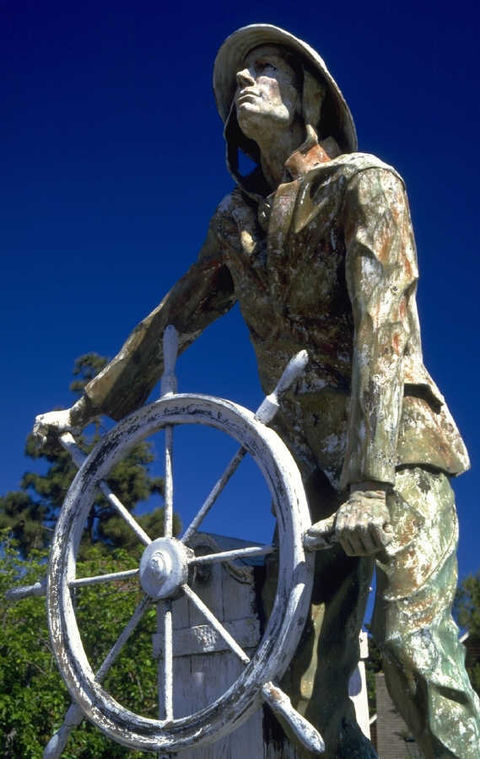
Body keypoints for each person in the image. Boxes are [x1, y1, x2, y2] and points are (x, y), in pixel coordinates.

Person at [33, 24, 480, 758]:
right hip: (306, 473)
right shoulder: (237, 222)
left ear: (310, 97)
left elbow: (386, 329)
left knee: (411, 651)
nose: (246, 80)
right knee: (295, 687)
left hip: (395, 451)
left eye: (266, 67)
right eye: (239, 76)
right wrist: (84, 409)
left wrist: (371, 485)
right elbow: (172, 319)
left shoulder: (365, 185)